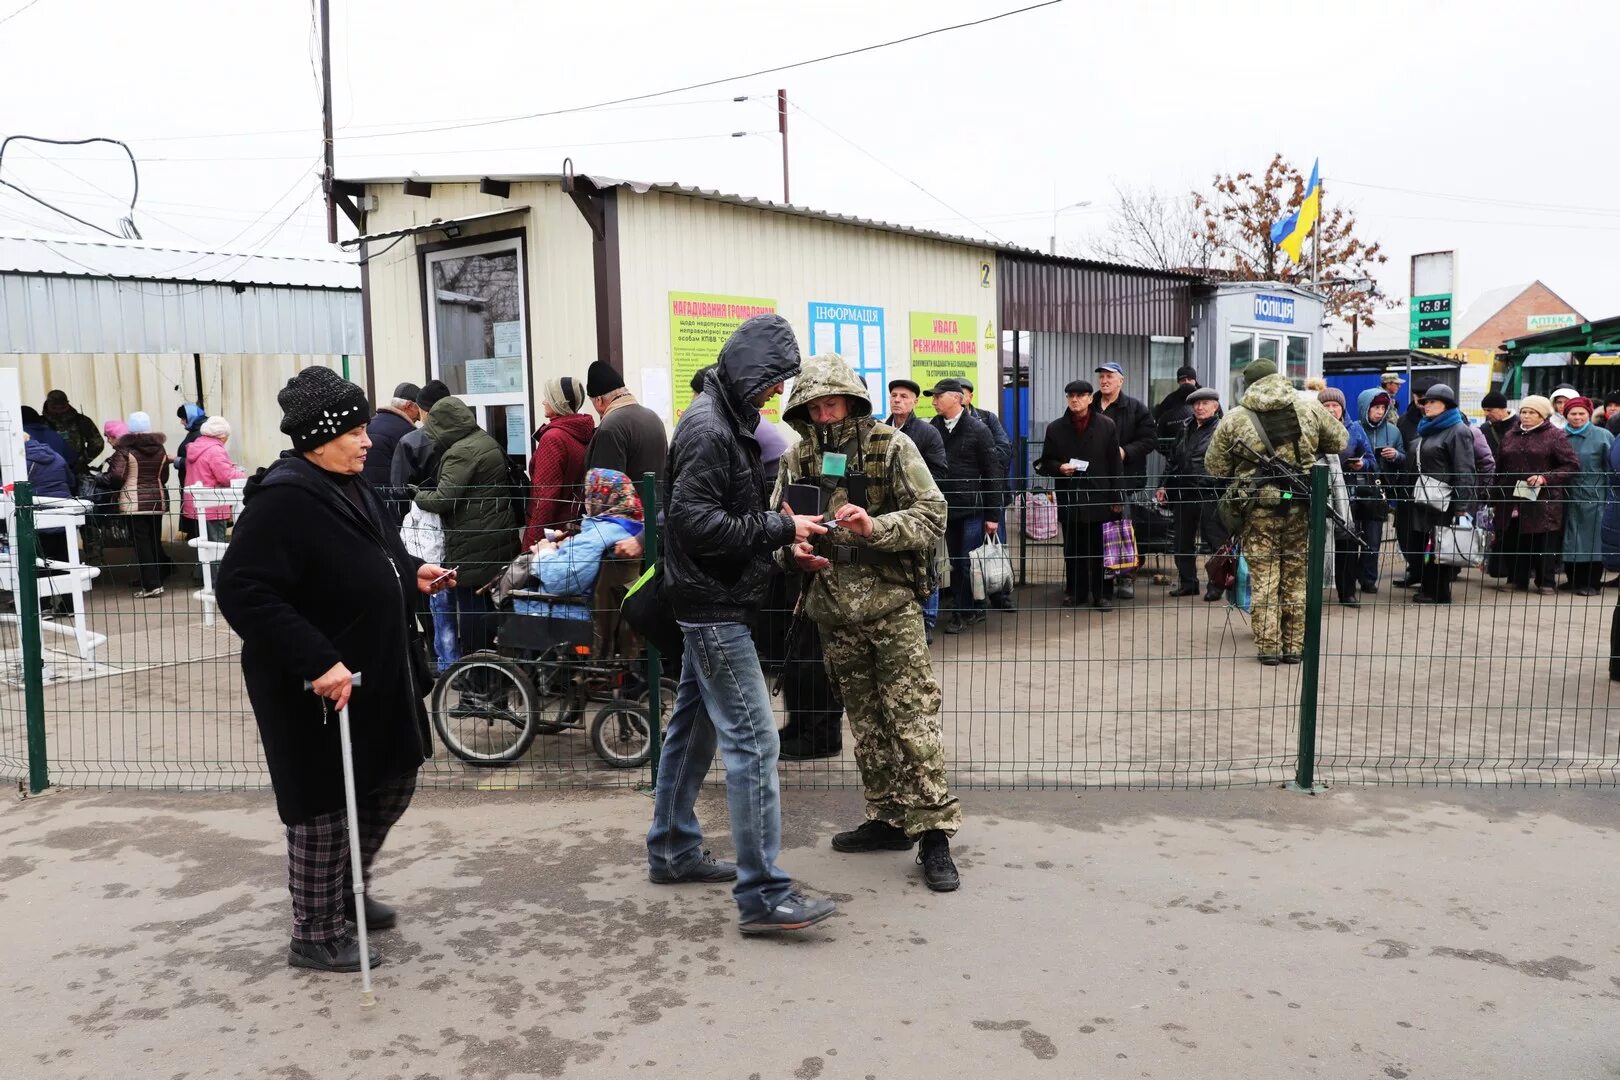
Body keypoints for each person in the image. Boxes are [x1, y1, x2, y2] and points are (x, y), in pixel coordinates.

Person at [215, 365, 455, 973]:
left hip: (377, 674)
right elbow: (244, 591)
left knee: (394, 775)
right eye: (353, 430)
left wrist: (411, 575)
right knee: (323, 806)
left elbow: (381, 552)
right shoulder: (284, 500)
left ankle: (345, 891)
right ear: (320, 436)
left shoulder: (352, 486)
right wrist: (318, 659)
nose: (367, 439)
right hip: (314, 686)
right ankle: (314, 933)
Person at [646, 312, 836, 936]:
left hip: (713, 598)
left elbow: (725, 521)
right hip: (713, 607)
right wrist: (783, 528)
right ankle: (763, 894)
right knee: (756, 743)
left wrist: (785, 543)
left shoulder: (726, 419)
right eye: (774, 382)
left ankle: (673, 849)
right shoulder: (709, 428)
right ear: (749, 373)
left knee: (693, 729)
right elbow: (694, 526)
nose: (779, 394)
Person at [773, 355, 960, 891]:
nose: (825, 414)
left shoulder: (892, 446)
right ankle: (887, 818)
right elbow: (778, 530)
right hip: (833, 611)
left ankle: (934, 836)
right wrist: (795, 550)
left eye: (833, 403)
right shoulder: (796, 458)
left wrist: (874, 526)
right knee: (868, 723)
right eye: (814, 406)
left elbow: (932, 513)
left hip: (891, 606)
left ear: (853, 401)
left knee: (912, 721)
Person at [1206, 360, 1347, 664]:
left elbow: (1215, 467)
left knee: (1264, 580)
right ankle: (1294, 648)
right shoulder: (1308, 408)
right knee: (1297, 579)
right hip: (1302, 507)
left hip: (1257, 511)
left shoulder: (1235, 417)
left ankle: (1269, 648)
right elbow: (1340, 440)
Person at [412, 396, 519, 691]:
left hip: (473, 548)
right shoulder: (485, 441)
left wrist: (417, 495)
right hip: (496, 541)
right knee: (490, 614)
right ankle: (496, 681)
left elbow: (444, 498)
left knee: (472, 619)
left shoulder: (461, 453)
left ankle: (478, 686)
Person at [1035, 379, 1122, 610]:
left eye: (1081, 396)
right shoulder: (1055, 428)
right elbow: (1046, 461)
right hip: (1070, 495)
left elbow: (1115, 464)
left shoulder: (1106, 425)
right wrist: (1059, 467)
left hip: (1099, 495)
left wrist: (1116, 497)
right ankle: (1075, 592)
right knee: (1073, 548)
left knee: (1099, 548)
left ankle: (1102, 594)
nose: (1075, 400)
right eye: (1071, 396)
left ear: (1090, 399)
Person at [927, 378, 1003, 633]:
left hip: (972, 508)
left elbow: (993, 473)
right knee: (956, 561)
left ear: (957, 399)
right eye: (933, 396)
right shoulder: (934, 427)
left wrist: (993, 514)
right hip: (947, 507)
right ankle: (970, 608)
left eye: (939, 396)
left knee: (966, 561)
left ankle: (965, 611)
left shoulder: (978, 429)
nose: (934, 400)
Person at [516, 467, 642, 620]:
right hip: (596, 615)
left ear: (599, 497)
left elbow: (560, 581)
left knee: (500, 610)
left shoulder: (597, 536)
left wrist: (544, 551)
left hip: (566, 617)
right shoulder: (630, 530)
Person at [583, 359, 668, 562]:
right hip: (656, 523)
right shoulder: (653, 417)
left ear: (599, 401)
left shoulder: (611, 426)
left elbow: (605, 492)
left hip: (626, 536)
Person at [1493, 395, 1578, 594]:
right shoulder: (1510, 435)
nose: (1526, 416)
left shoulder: (1555, 435)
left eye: (1532, 412)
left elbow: (1571, 465)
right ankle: (1516, 579)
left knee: (1543, 540)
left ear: (1543, 415)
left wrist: (1545, 477)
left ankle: (1546, 581)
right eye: (1524, 412)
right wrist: (1495, 493)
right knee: (1513, 538)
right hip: (1512, 497)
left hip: (1544, 498)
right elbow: (1500, 466)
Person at [1154, 387, 1226, 600]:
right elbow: (1173, 460)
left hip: (1210, 492)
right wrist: (1163, 485)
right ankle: (1188, 583)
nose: (1199, 407)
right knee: (1182, 541)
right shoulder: (1185, 428)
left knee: (1215, 541)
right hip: (1184, 491)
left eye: (1204, 403)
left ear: (1215, 406)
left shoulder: (1221, 429)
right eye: (1196, 404)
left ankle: (1217, 585)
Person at [1405, 384, 1476, 605]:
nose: (1427, 406)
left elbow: (1465, 469)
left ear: (1447, 405)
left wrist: (1461, 506)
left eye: (1433, 402)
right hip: (1426, 498)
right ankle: (1429, 588)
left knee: (1442, 544)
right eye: (1425, 402)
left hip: (1446, 500)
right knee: (1427, 543)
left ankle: (1439, 593)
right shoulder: (1427, 428)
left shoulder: (1458, 430)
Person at [1092, 362, 1155, 599]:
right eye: (1101, 377)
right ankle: (1097, 577)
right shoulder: (1091, 405)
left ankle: (1125, 577)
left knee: (1122, 528)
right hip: (1095, 480)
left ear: (1121, 380)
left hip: (1125, 479)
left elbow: (1150, 439)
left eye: (1109, 376)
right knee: (1096, 530)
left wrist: (1125, 451)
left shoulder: (1136, 408)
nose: (1104, 381)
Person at [958, 378, 1015, 612]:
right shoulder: (945, 424)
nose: (959, 398)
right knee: (969, 549)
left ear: (970, 396)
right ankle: (974, 598)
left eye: (963, 394)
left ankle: (1000, 594)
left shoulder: (987, 418)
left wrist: (982, 463)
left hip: (991, 492)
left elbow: (1004, 448)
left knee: (996, 543)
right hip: (967, 498)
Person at [521, 376, 594, 551]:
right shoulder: (583, 433)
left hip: (551, 535)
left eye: (548, 397)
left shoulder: (554, 438)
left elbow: (544, 497)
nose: (543, 401)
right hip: (572, 529)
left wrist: (530, 545)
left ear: (558, 403)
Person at [105, 411, 173, 599]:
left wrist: (102, 479)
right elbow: (164, 476)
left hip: (133, 502)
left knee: (141, 544)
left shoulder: (124, 450)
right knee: (153, 542)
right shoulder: (161, 449)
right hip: (156, 499)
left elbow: (116, 477)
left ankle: (151, 585)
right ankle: (154, 579)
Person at [1348, 389, 1404, 594]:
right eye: (1375, 407)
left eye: (1383, 407)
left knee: (1373, 537)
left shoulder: (1394, 431)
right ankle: (1350, 576)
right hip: (1354, 488)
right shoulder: (1352, 428)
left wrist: (1396, 455)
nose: (1379, 412)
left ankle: (1368, 579)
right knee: (1352, 535)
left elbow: (1405, 460)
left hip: (1379, 490)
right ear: (1365, 408)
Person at [1319, 388, 1371, 606]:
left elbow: (1371, 459)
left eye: (1335, 406)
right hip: (1321, 494)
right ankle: (1314, 591)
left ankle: (1347, 592)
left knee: (1348, 545)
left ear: (1343, 408)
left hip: (1349, 496)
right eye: (1326, 406)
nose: (1331, 410)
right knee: (1319, 543)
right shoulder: (1312, 429)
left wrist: (1362, 464)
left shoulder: (1356, 430)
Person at [1558, 397, 1612, 596]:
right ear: (1566, 415)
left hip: (1595, 496)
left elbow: (1611, 468)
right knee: (1570, 538)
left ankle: (1592, 582)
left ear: (1589, 414)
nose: (1577, 417)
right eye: (1573, 413)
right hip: (1566, 495)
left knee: (1592, 541)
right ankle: (1573, 580)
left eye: (1581, 413)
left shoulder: (1602, 436)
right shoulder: (1559, 436)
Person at [183, 416, 247, 578]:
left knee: (205, 543)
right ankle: (219, 581)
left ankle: (201, 575)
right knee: (216, 545)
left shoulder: (196, 446)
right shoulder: (215, 449)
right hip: (213, 503)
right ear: (222, 435)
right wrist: (242, 473)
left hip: (198, 503)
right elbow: (226, 476)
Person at [389, 380, 453, 493]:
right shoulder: (472, 435)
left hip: (422, 507)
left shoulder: (410, 442)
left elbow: (399, 489)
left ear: (424, 410)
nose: (418, 418)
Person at [362, 382, 422, 488]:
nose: (419, 417)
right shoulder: (408, 431)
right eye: (419, 409)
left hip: (367, 496)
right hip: (392, 498)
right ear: (409, 405)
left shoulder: (369, 424)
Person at [41, 389, 104, 481]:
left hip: (77, 472)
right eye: (54, 408)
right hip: (50, 471)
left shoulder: (81, 421)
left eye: (62, 407)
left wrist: (81, 460)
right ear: (48, 405)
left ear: (67, 404)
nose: (59, 411)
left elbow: (97, 443)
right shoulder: (40, 423)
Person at [174, 403, 209, 542]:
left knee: (199, 530)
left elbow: (198, 461)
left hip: (197, 484)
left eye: (183, 418)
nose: (181, 422)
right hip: (193, 483)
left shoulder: (200, 433)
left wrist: (176, 460)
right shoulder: (197, 431)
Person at [1153, 365, 1200, 455]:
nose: (1186, 382)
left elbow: (1218, 418)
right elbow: (1159, 422)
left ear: (1195, 380)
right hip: (1175, 452)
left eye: (1190, 379)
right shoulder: (1170, 400)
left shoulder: (1206, 396)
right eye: (1183, 380)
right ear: (1178, 382)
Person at [21, 406, 76, 472]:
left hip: (31, 479)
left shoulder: (20, 437)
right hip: (58, 478)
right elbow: (72, 459)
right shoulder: (54, 435)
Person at [1479, 391, 1515, 460]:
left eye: (1489, 410)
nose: (1485, 414)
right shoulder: (1484, 428)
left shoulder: (1520, 426)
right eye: (1484, 410)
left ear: (1503, 409)